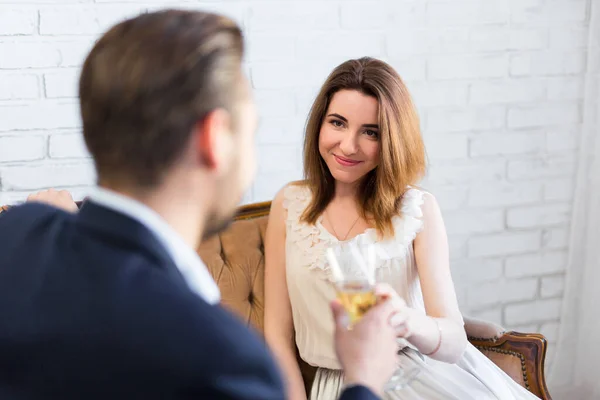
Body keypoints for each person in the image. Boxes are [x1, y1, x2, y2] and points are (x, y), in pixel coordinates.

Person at [0, 11, 400, 400]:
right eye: (250, 130)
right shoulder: (225, 360)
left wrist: (50, 224)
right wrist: (363, 380)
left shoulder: (19, 232)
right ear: (215, 139)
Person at [263, 57, 542, 400]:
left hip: (421, 375)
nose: (349, 145)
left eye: (371, 132)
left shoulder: (418, 209)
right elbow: (277, 335)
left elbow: (453, 340)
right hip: (342, 388)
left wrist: (406, 320)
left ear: (393, 139)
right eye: (338, 123)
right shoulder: (290, 204)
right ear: (319, 124)